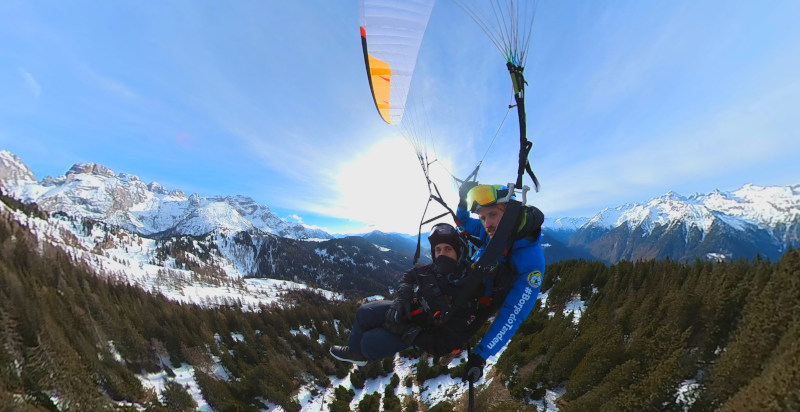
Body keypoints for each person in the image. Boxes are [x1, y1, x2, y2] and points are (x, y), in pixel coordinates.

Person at [330, 184, 544, 385]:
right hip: (449, 293)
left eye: (493, 215)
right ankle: (356, 352)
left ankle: (368, 349)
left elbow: (513, 315)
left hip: (461, 312)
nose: (486, 223)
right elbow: (464, 222)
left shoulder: (530, 263)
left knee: (372, 341)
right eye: (483, 217)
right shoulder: (493, 232)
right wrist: (461, 201)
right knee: (367, 313)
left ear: (512, 214)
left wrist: (481, 356)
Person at [329, 222, 471, 366]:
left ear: (458, 253)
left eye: (448, 249)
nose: (441, 254)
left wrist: (407, 331)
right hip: (408, 308)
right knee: (364, 312)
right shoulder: (434, 269)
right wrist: (403, 296)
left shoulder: (464, 288)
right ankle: (354, 352)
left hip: (420, 330)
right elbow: (411, 274)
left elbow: (445, 343)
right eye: (438, 250)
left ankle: (362, 354)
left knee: (368, 343)